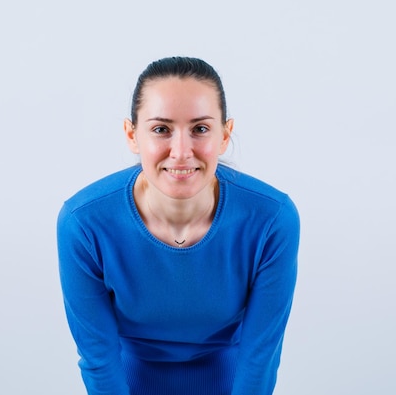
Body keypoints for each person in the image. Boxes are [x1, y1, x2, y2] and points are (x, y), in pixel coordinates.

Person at [57, 57, 300, 395]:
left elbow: (260, 358)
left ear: (225, 134)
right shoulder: (84, 223)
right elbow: (99, 358)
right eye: (161, 129)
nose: (182, 152)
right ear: (132, 134)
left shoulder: (272, 219)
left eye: (200, 129)